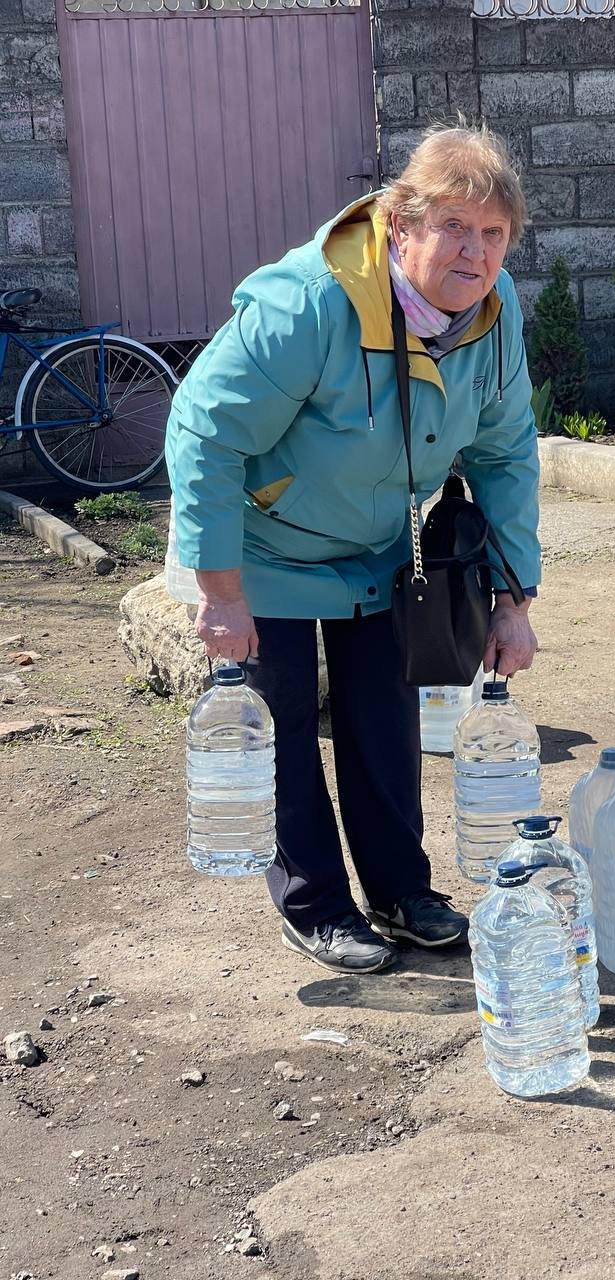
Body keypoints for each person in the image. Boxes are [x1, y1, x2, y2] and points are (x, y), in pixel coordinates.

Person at [165, 124, 541, 976]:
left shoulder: (493, 310)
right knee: (285, 728)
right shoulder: (312, 301)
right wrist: (222, 592)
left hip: (377, 548)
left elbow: (505, 451)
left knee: (384, 724)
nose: (474, 255)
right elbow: (203, 430)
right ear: (401, 225)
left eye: (493, 235)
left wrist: (514, 601)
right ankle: (317, 907)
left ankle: (402, 893)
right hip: (264, 549)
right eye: (454, 228)